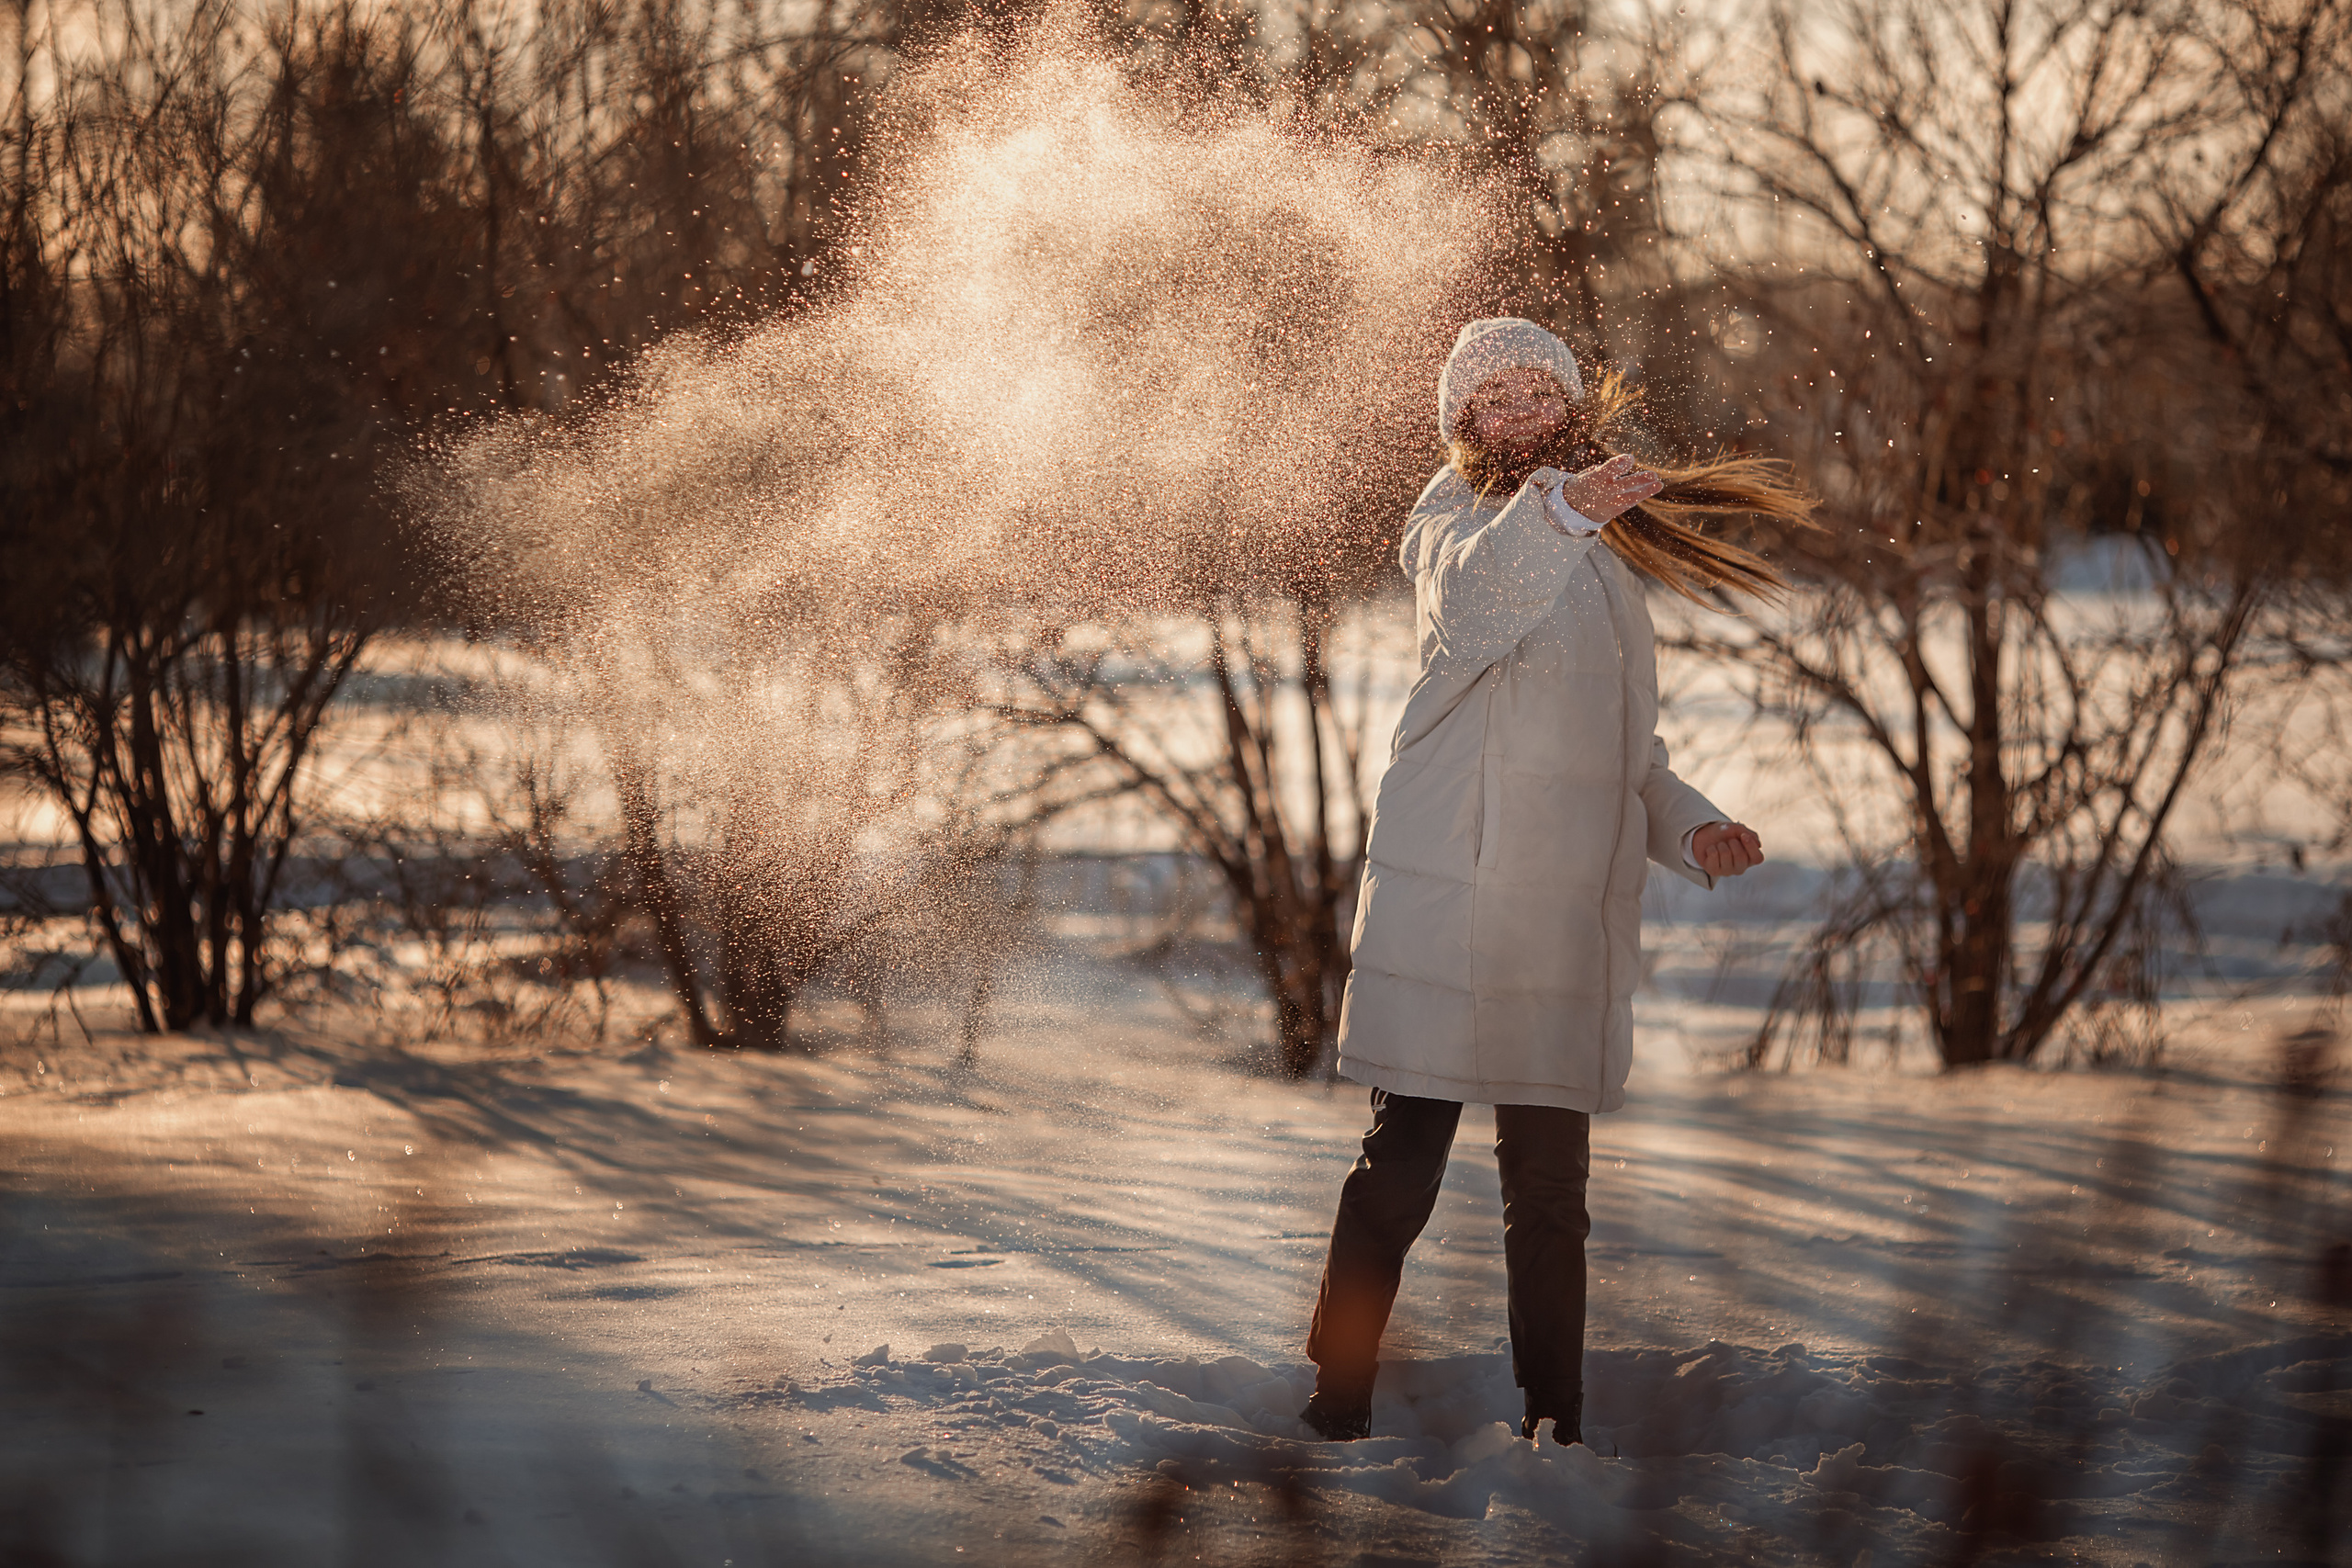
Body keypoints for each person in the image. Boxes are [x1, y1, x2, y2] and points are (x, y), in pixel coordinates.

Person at [1300, 317, 1815, 1447]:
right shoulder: (1445, 525)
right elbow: (1479, 603)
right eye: (1498, 397)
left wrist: (1696, 832)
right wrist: (1568, 510)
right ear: (1461, 424)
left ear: (1573, 408)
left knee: (1551, 1203)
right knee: (1400, 1178)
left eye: (1543, 391)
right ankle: (1336, 1399)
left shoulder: (1605, 564)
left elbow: (1629, 761)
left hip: (1555, 930)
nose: (1524, 410)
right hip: (1450, 910)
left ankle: (1554, 1426)